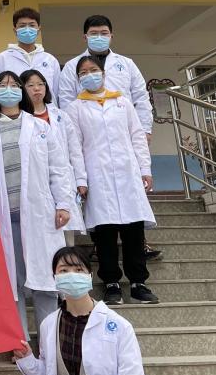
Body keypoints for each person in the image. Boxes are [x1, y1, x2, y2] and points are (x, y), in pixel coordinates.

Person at [0, 246, 152, 375]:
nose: (71, 275)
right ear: (55, 278)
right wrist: (27, 359)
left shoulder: (118, 325)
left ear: (90, 276)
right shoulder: (50, 325)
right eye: (63, 270)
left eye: (78, 269)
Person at [0, 71, 75, 333]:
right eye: (2, 85)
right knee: (11, 282)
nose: (9, 89)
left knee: (45, 279)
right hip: (3, 216)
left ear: (21, 91)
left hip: (40, 215)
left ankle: (49, 339)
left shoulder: (40, 127)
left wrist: (63, 204)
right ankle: (20, 341)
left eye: (14, 85)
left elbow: (58, 168)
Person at [57, 16, 160, 262]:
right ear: (85, 36)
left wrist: (145, 130)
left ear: (112, 35)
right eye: (94, 33)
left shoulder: (126, 65)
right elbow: (65, 101)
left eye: (103, 32)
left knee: (133, 208)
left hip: (123, 141)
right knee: (101, 213)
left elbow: (141, 98)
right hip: (92, 145)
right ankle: (103, 256)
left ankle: (139, 254)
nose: (99, 37)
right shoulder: (71, 67)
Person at [64, 56, 159, 305]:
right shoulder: (75, 108)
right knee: (105, 233)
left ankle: (138, 283)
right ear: (78, 79)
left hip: (128, 173)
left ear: (103, 73)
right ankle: (111, 283)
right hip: (97, 175)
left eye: (93, 70)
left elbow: (137, 137)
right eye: (84, 72)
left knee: (133, 231)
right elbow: (75, 148)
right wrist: (81, 179)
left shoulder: (122, 102)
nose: (89, 75)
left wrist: (145, 169)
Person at [19, 69, 87, 234]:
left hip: (63, 178)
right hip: (35, 181)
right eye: (30, 85)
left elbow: (74, 150)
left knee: (66, 232)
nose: (37, 89)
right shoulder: (21, 118)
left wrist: (80, 180)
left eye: (40, 84)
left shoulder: (61, 116)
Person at [0, 8, 62, 101]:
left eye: (32, 25)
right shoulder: (2, 59)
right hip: (15, 109)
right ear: (15, 30)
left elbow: (57, 92)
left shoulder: (50, 60)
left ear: (38, 29)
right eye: (22, 26)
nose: (27, 29)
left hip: (47, 109)